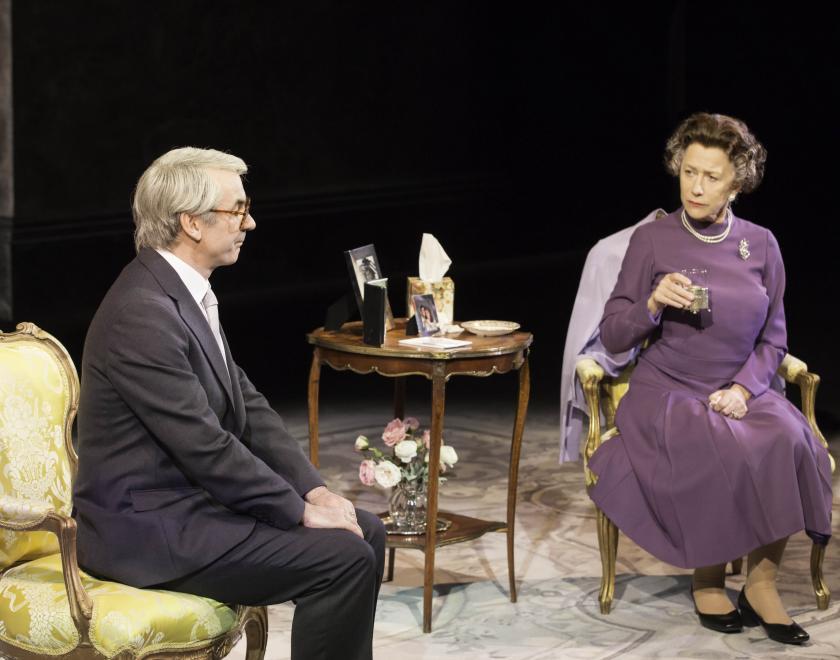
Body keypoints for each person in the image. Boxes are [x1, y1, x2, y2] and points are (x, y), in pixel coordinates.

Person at [73, 147, 385, 660]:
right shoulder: (143, 312)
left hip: (188, 508)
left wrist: (315, 491)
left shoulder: (178, 291)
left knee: (364, 531)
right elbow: (204, 445)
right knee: (341, 558)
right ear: (191, 222)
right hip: (147, 530)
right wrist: (296, 512)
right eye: (237, 209)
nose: (251, 221)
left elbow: (249, 407)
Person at [587, 113, 833, 645]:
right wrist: (651, 304)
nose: (696, 187)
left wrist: (744, 389)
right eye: (688, 172)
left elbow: (774, 339)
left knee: (791, 440)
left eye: (711, 176)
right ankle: (708, 578)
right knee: (712, 441)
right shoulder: (652, 240)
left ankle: (762, 585)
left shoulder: (762, 244)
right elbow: (611, 336)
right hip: (668, 388)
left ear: (737, 182)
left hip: (743, 385)